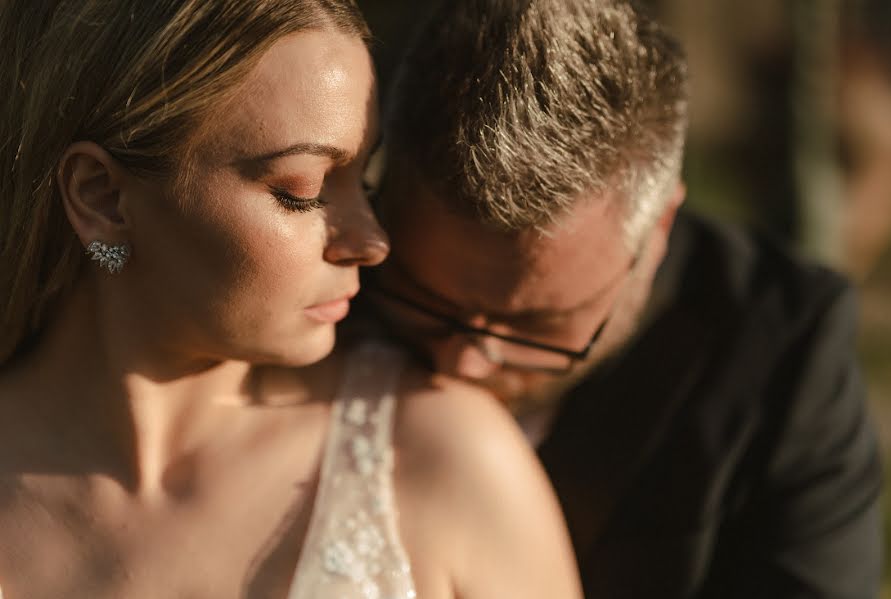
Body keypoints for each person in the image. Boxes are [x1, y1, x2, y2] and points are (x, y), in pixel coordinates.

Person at [0, 2, 582, 598]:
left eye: (366, 180)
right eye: (303, 193)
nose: (373, 241)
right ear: (101, 198)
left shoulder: (444, 457)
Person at [362, 0, 885, 597]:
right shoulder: (318, 290)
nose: (464, 362)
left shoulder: (783, 348)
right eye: (423, 299)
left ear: (657, 231)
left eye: (535, 325)